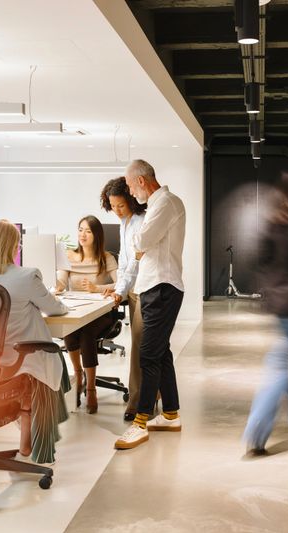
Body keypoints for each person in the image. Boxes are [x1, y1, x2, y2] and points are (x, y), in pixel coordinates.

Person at [0, 218, 69, 465]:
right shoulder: (26, 276)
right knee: (52, 356)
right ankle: (31, 435)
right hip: (18, 360)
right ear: (13, 246)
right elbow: (54, 310)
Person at [114, 159, 186, 450]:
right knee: (160, 352)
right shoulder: (160, 204)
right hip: (155, 286)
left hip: (161, 287)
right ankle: (170, 414)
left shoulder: (165, 203)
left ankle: (140, 422)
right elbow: (141, 245)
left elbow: (142, 239)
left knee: (148, 355)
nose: (131, 194)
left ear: (141, 181)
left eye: (131, 187)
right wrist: (140, 247)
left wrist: (139, 244)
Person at [242, 170, 288, 454]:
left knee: (285, 357)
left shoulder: (272, 221)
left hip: (277, 301)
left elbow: (259, 259)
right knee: (280, 366)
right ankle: (255, 434)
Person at [56, 215, 118, 414]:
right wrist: (56, 285)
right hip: (77, 310)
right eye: (80, 229)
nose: (82, 234)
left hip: (100, 313)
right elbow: (61, 281)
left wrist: (97, 288)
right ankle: (78, 375)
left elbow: (121, 283)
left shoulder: (106, 258)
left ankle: (90, 387)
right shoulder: (69, 256)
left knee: (86, 332)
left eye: (88, 231)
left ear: (96, 235)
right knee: (71, 328)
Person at [99, 177, 147, 422]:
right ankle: (152, 394)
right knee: (144, 345)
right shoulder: (125, 222)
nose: (116, 211)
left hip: (142, 288)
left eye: (121, 205)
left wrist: (120, 288)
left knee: (140, 345)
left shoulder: (141, 222)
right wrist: (117, 287)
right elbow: (125, 262)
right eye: (112, 206)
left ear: (131, 200)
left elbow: (136, 264)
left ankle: (137, 402)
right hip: (130, 288)